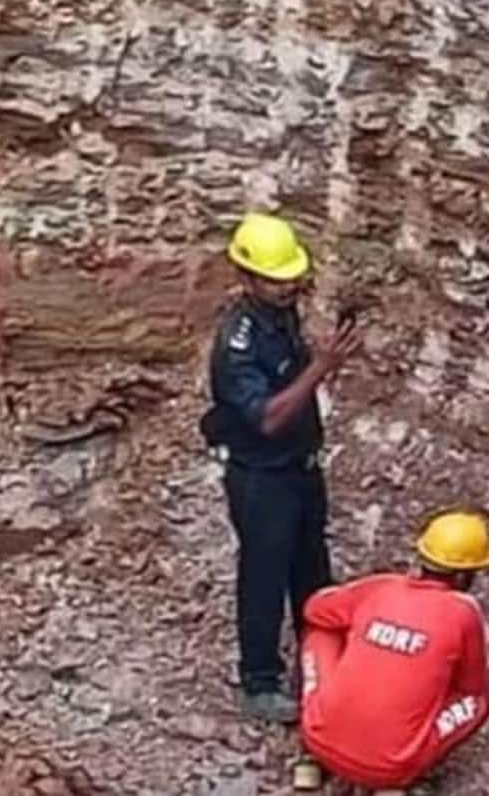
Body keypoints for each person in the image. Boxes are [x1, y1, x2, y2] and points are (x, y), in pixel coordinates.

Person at [201, 211, 362, 722]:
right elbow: (268, 417)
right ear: (247, 279)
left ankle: (320, 662)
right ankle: (259, 682)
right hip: (261, 477)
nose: (288, 286)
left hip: (299, 469)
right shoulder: (238, 343)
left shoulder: (279, 315)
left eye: (291, 276)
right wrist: (323, 367)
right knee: (265, 577)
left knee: (313, 572)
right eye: (275, 280)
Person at [294, 509, 489, 793]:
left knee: (321, 631)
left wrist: (373, 634)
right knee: (482, 695)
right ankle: (396, 773)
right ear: (466, 575)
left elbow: (315, 609)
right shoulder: (464, 613)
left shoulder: (380, 587)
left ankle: (310, 755)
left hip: (319, 740)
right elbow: (471, 685)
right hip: (391, 768)